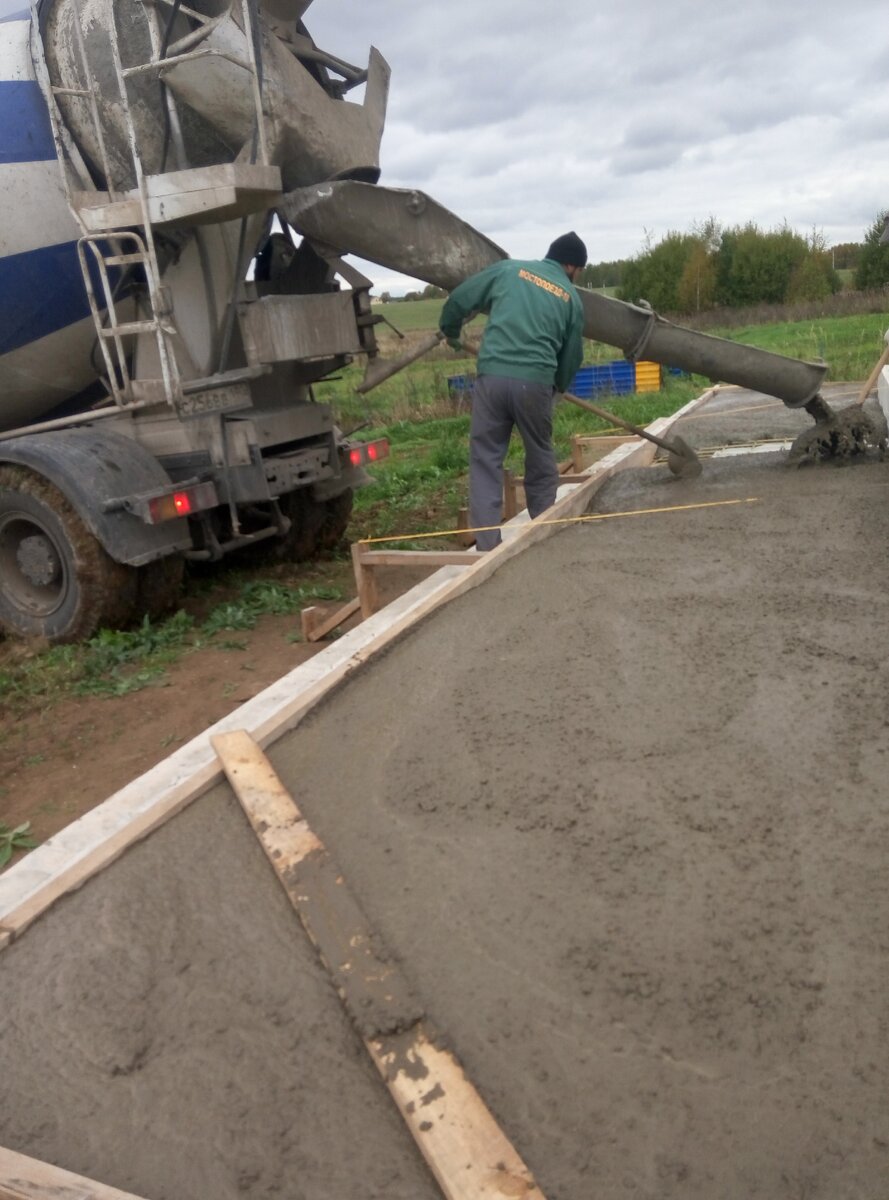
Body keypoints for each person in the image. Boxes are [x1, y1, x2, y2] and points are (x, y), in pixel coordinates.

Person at [439, 232, 587, 550]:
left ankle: (488, 545)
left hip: (491, 379)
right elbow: (572, 356)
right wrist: (556, 388)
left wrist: (451, 330)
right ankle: (545, 530)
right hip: (535, 384)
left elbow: (460, 299)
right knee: (540, 454)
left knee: (485, 459)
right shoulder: (570, 297)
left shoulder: (509, 270)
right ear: (572, 267)